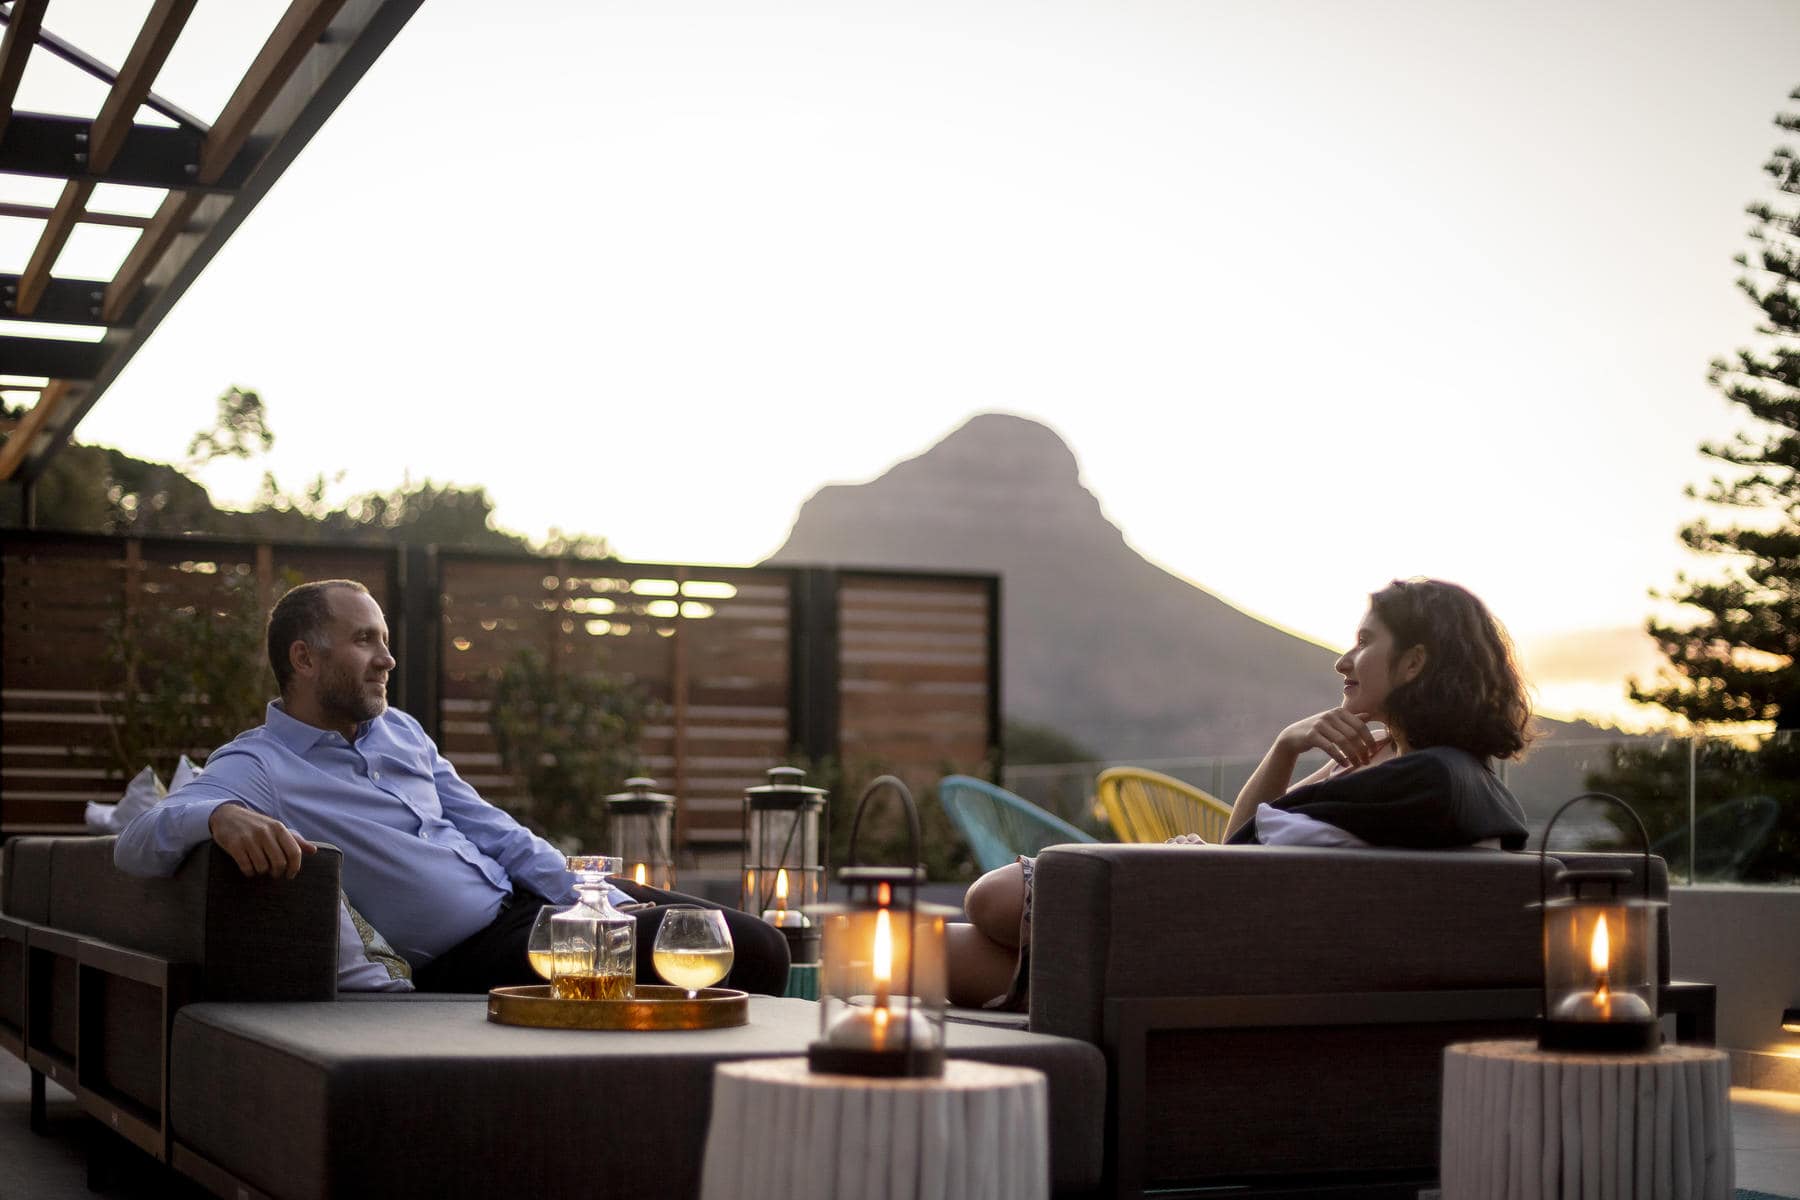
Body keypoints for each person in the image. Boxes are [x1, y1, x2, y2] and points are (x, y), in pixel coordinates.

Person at [114, 578, 788, 995]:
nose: (388, 659)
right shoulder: (260, 765)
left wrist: (590, 896)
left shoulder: (400, 730)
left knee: (758, 940)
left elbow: (492, 827)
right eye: (365, 641)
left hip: (531, 903)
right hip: (477, 955)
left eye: (385, 640)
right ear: (304, 658)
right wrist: (219, 816)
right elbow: (137, 841)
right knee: (746, 953)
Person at [946, 577, 1534, 1007]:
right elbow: (1243, 844)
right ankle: (1063, 996)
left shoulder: (1411, 784)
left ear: (1413, 663)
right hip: (1229, 943)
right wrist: (1285, 747)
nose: (1343, 661)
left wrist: (1188, 862)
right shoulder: (1402, 766)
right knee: (939, 949)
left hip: (1208, 960)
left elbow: (1238, 859)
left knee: (990, 899)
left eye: (1364, 643)